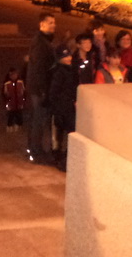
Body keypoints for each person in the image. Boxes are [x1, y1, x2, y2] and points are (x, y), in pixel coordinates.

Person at [26, 12, 56, 164]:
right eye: (50, 23)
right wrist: (42, 90)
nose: (53, 25)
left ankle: (35, 149)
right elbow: (38, 68)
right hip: (39, 89)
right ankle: (36, 151)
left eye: (54, 23)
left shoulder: (45, 40)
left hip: (40, 87)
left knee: (38, 119)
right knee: (38, 119)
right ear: (42, 24)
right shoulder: (40, 42)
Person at [48, 44, 78, 172]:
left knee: (70, 132)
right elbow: (54, 92)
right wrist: (56, 108)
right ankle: (58, 158)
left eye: (69, 55)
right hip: (61, 108)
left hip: (69, 107)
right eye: (65, 56)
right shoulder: (58, 72)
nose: (69, 58)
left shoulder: (70, 70)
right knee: (59, 134)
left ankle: (65, 158)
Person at [2, 67, 26, 132]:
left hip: (19, 102)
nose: (14, 76)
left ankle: (18, 126)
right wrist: (7, 100)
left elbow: (23, 91)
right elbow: (4, 93)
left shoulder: (20, 82)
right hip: (11, 103)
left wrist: (23, 100)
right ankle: (9, 126)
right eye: (13, 74)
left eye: (15, 74)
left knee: (19, 115)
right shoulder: (7, 84)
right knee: (11, 115)